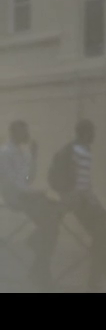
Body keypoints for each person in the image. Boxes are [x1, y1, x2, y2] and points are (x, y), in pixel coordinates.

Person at [60, 119, 106, 292]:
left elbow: (83, 183)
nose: (94, 135)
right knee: (103, 243)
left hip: (85, 203)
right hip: (83, 204)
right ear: (85, 133)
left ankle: (97, 282)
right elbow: (80, 184)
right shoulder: (79, 152)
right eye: (92, 132)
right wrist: (91, 202)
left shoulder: (80, 150)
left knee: (101, 242)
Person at [0, 120, 62, 290]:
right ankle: (39, 268)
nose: (26, 134)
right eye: (23, 131)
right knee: (51, 226)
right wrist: (34, 193)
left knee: (55, 216)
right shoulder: (4, 153)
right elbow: (12, 182)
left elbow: (28, 178)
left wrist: (34, 156)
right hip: (15, 196)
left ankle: (36, 248)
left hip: (25, 195)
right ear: (13, 132)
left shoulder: (22, 153)